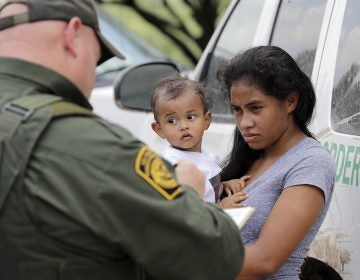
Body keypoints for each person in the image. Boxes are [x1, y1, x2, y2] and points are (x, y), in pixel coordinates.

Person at [0, 1, 245, 280]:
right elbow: (217, 254)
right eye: (95, 61)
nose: (92, 78)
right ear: (72, 34)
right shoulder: (92, 145)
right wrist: (189, 193)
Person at [217, 45, 336, 279]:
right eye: (237, 110)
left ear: (290, 101)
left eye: (255, 108)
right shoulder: (250, 156)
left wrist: (178, 260)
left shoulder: (310, 161)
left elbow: (264, 261)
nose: (244, 122)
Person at [151, 73, 250, 207]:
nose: (183, 126)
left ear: (206, 120)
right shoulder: (173, 165)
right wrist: (221, 207)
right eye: (172, 120)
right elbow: (185, 210)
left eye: (190, 117)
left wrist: (224, 185)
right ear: (159, 129)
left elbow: (207, 190)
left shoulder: (206, 155)